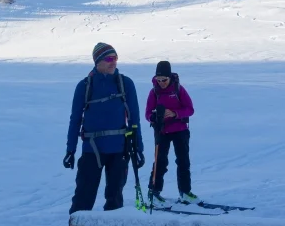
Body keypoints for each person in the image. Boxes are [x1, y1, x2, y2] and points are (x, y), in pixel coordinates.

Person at [65, 43, 145, 214]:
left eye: (115, 58)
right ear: (97, 61)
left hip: (119, 150)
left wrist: (138, 148)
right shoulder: (85, 86)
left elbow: (134, 119)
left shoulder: (125, 84)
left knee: (115, 199)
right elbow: (75, 120)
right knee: (83, 198)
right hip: (91, 150)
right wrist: (70, 149)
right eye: (109, 58)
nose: (113, 62)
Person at [145, 60, 197, 205]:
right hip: (162, 131)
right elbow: (148, 113)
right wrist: (155, 117)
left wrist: (175, 114)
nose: (161, 82)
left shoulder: (178, 89)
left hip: (180, 130)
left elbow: (190, 109)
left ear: (170, 77)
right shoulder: (154, 92)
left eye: (164, 79)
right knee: (160, 162)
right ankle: (154, 192)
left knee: (183, 162)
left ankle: (185, 192)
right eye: (158, 79)